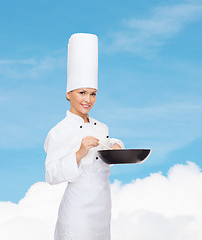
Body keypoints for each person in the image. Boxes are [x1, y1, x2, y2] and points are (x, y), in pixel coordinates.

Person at [44, 33, 124, 240]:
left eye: (93, 93)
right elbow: (51, 175)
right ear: (68, 94)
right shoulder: (59, 131)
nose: (88, 99)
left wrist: (115, 147)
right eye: (82, 92)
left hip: (103, 208)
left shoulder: (102, 127)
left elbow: (101, 158)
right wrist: (79, 153)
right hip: (77, 212)